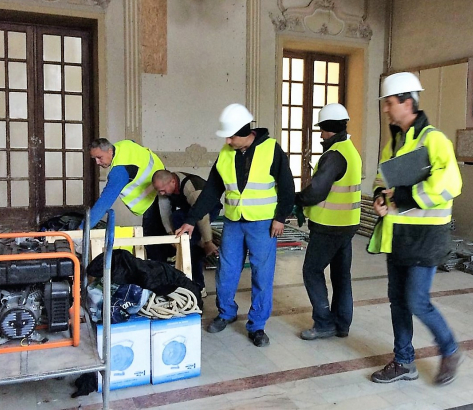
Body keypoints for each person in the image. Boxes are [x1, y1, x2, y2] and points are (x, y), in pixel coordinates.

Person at [369, 72, 463, 385]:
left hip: (426, 236)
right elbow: (383, 178)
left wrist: (405, 196)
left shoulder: (434, 140)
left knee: (416, 301)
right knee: (398, 301)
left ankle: (450, 349)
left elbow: (450, 183)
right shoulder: (394, 142)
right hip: (398, 235)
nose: (385, 109)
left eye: (389, 103)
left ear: (407, 103)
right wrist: (380, 197)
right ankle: (403, 361)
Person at [176, 103, 294, 347]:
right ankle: (226, 313)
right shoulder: (226, 153)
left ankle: (257, 325)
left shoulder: (271, 149)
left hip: (263, 223)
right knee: (226, 271)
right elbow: (211, 191)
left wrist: (280, 217)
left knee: (262, 274)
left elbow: (287, 186)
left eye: (231, 136)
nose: (227, 141)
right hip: (233, 222)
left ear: (245, 133)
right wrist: (190, 220)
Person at [295, 103, 362, 340]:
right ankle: (342, 324)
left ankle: (324, 323)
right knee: (341, 275)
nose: (321, 135)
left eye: (321, 130)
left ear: (327, 128)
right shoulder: (350, 150)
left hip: (329, 226)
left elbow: (317, 191)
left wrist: (296, 199)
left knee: (312, 271)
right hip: (348, 224)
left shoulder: (334, 155)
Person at [84, 138, 165, 260]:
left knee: (154, 246)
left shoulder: (119, 171)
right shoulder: (124, 145)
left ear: (109, 151)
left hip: (152, 198)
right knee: (163, 238)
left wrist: (83, 228)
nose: (97, 162)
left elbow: (104, 203)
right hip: (163, 180)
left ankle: (161, 269)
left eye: (99, 157)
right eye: (94, 158)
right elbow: (133, 142)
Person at [152, 169, 221, 298]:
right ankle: (198, 245)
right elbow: (165, 213)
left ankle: (199, 286)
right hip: (190, 210)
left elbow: (202, 215)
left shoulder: (191, 187)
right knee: (177, 218)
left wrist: (208, 241)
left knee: (191, 247)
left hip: (208, 209)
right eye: (158, 190)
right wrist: (171, 235)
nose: (161, 193)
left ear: (173, 182)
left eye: (162, 190)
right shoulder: (164, 187)